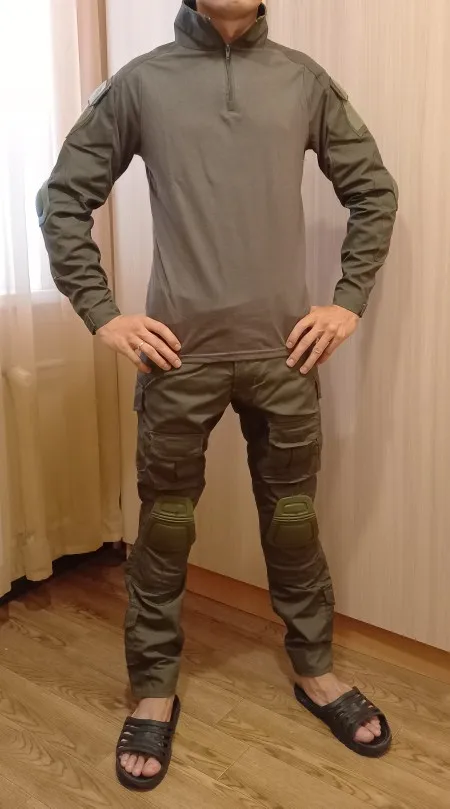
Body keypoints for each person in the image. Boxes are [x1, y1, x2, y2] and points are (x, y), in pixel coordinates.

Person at [37, 0, 398, 792]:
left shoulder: (302, 81)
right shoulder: (142, 84)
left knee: (294, 518)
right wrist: (102, 311)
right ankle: (153, 687)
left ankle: (314, 668)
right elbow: (62, 199)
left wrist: (347, 301)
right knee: (165, 526)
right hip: (180, 360)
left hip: (284, 356)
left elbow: (374, 191)